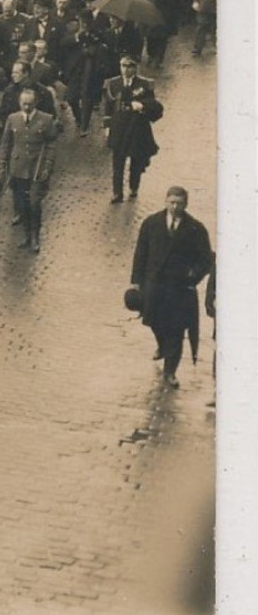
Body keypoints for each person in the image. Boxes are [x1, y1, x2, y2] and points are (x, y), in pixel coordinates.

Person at [129, 187, 213, 389]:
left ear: (186, 204)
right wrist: (136, 280)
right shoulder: (151, 223)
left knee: (176, 329)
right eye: (172, 202)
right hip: (154, 286)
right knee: (154, 322)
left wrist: (193, 276)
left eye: (180, 203)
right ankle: (162, 345)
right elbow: (141, 252)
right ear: (166, 201)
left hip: (179, 289)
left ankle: (170, 371)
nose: (175, 207)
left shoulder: (195, 229)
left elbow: (206, 259)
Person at [0, 86, 60, 251]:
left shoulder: (46, 120)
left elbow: (52, 144)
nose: (26, 107)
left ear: (36, 102)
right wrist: (3, 165)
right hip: (17, 169)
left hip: (37, 169)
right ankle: (26, 237)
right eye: (24, 103)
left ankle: (36, 238)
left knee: (34, 204)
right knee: (22, 205)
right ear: (19, 103)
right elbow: (6, 144)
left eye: (30, 104)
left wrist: (48, 166)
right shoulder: (13, 119)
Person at [102, 55, 163, 203]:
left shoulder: (144, 84)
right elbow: (108, 108)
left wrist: (142, 106)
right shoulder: (112, 83)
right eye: (123, 65)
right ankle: (117, 193)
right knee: (117, 162)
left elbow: (153, 104)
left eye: (129, 66)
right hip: (119, 127)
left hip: (137, 127)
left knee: (136, 160)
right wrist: (107, 127)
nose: (125, 69)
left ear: (135, 68)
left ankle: (134, 186)